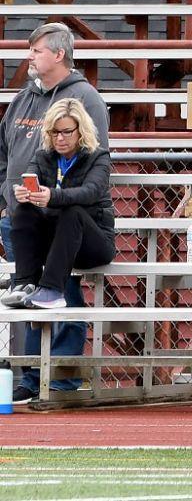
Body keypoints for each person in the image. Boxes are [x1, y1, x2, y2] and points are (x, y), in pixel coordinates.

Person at [2, 24, 110, 401]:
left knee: (62, 291)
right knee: (29, 294)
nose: (29, 57)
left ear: (59, 54)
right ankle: (31, 378)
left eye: (36, 51)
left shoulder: (86, 98)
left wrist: (54, 196)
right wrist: (6, 195)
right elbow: (4, 151)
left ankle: (60, 378)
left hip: (67, 222)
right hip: (22, 216)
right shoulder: (23, 98)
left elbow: (92, 170)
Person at [3, 100, 115, 315]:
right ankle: (26, 284)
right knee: (23, 210)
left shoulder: (98, 157)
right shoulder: (42, 155)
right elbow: (30, 176)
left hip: (92, 244)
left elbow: (91, 192)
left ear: (80, 130)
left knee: (73, 212)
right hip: (56, 242)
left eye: (66, 132)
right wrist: (24, 193)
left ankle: (52, 291)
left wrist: (51, 196)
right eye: (54, 133)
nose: (60, 138)